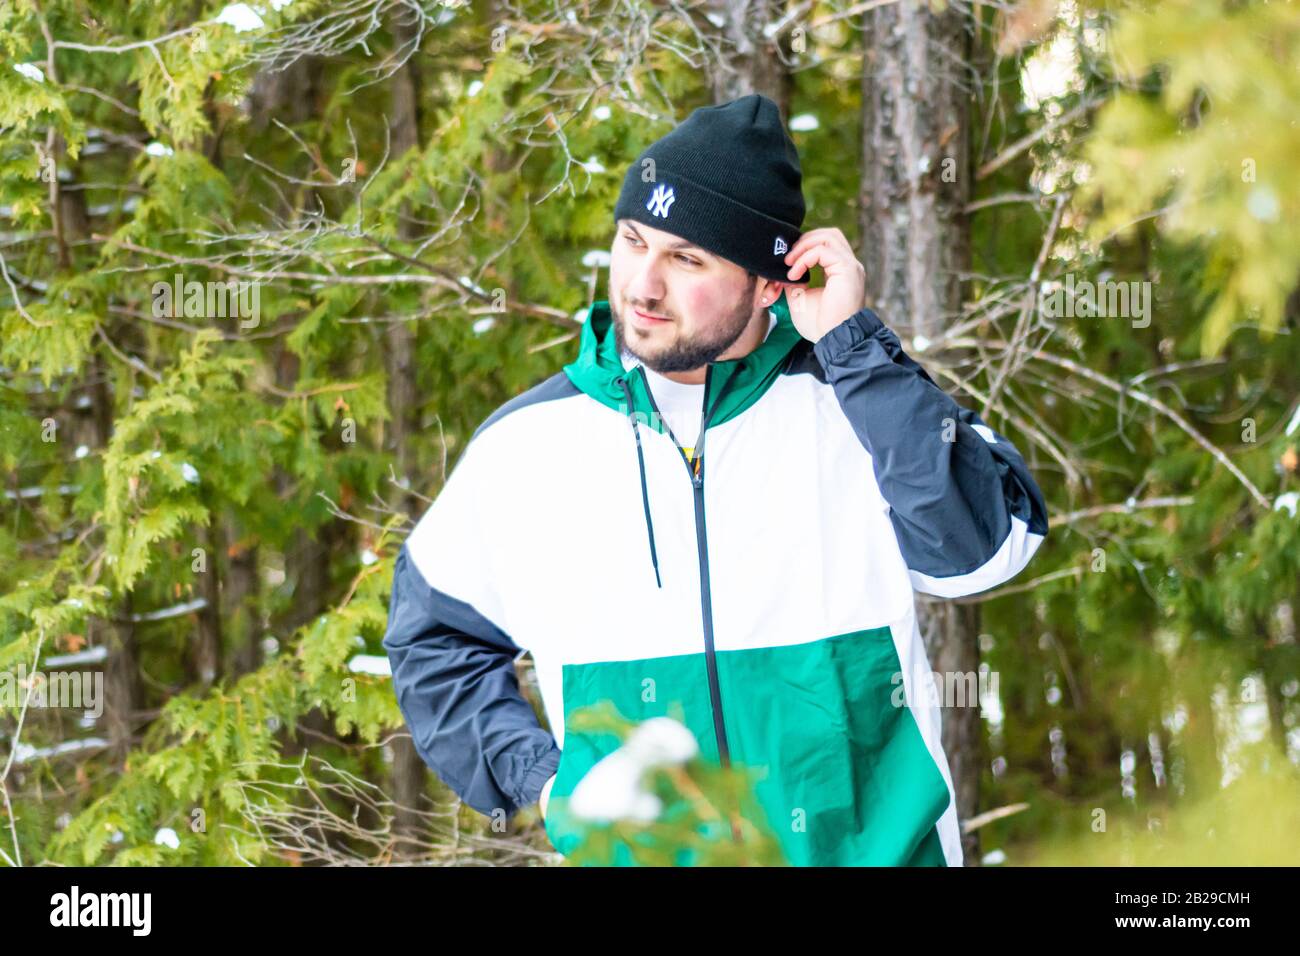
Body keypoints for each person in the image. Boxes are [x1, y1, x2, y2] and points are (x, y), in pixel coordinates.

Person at [382, 93, 1048, 866]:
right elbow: (433, 640)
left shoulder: (859, 406)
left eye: (687, 259)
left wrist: (855, 350)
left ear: (770, 284)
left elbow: (981, 553)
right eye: (633, 241)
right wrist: (544, 780)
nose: (642, 286)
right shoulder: (529, 446)